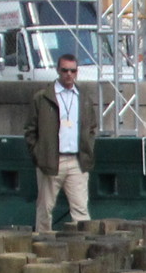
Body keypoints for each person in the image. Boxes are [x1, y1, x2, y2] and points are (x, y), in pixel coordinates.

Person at [27, 53, 97, 231]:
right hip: (51, 159)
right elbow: (30, 130)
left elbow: (91, 128)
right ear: (58, 70)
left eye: (73, 71)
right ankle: (43, 247)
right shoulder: (42, 97)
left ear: (77, 72)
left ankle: (82, 247)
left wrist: (87, 148)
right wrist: (39, 154)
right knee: (45, 209)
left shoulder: (84, 98)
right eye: (65, 70)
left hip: (76, 161)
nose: (69, 74)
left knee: (81, 210)